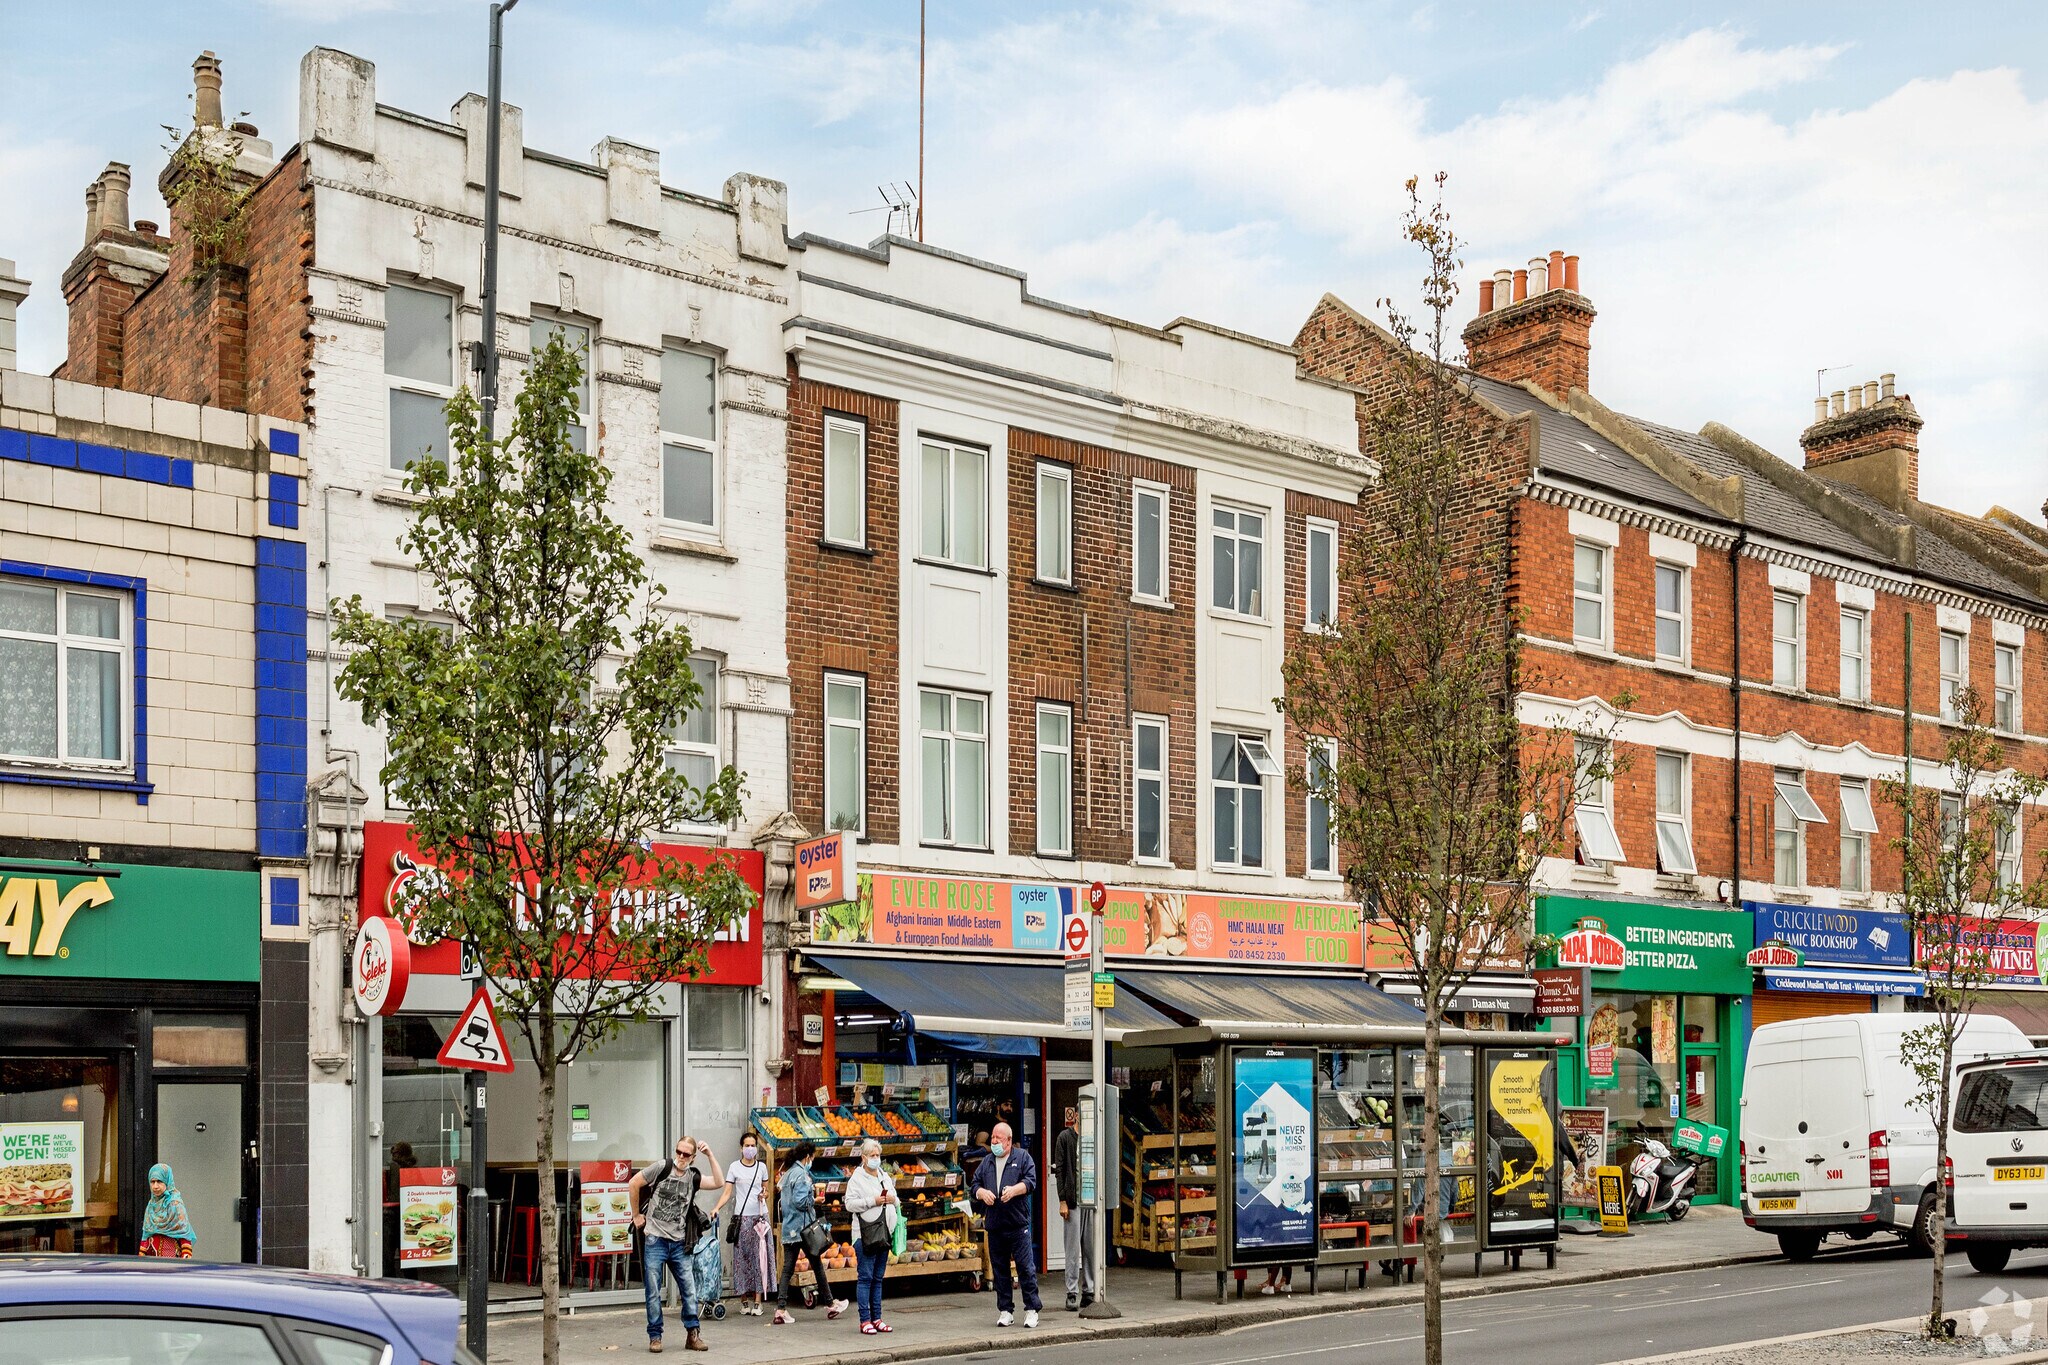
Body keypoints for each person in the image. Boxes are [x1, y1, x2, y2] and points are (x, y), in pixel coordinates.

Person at [630, 1135, 725, 1353]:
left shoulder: (693, 1177)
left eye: (686, 1154)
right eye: (678, 1152)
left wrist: (710, 1154)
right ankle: (655, 1336)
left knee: (689, 1289)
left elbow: (719, 1182)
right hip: (655, 1239)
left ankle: (693, 1335)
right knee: (653, 1290)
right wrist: (636, 1215)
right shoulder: (662, 1167)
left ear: (693, 1157)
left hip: (679, 1242)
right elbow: (633, 1183)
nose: (681, 1157)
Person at [972, 1121, 1041, 1329]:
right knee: (1000, 1269)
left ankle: (1031, 1310)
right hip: (995, 1225)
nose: (993, 1141)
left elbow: (1031, 1181)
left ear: (1009, 1141)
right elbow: (974, 1185)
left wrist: (1015, 1190)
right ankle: (1005, 1311)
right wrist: (981, 1193)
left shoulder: (1022, 1158)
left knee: (1025, 1268)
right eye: (992, 1137)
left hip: (1018, 1224)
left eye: (998, 1138)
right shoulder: (986, 1162)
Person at [773, 1140, 847, 1325]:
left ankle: (780, 1309)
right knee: (817, 1266)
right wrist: (814, 1200)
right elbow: (800, 1202)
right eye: (812, 1158)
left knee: (788, 1269)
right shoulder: (802, 1175)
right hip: (804, 1229)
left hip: (790, 1228)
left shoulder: (788, 1173)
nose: (811, 1161)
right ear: (807, 1157)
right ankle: (830, 1304)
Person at [842, 1137, 898, 1335]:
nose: (876, 1158)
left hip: (884, 1233)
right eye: (872, 1155)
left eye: (878, 1155)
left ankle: (877, 1318)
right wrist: (872, 1201)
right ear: (863, 1157)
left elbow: (896, 1200)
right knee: (865, 1277)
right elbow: (849, 1204)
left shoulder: (884, 1176)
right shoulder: (856, 1179)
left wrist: (893, 1200)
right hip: (865, 1234)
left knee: (878, 1278)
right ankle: (864, 1319)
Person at [727, 1130, 775, 1316]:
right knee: (741, 1258)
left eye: (753, 1145)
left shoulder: (761, 1167)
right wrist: (716, 1207)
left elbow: (767, 1190)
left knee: (760, 1257)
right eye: (746, 1145)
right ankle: (743, 1300)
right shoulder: (733, 1167)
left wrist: (764, 1194)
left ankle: (757, 1300)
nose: (750, 1149)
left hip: (760, 1217)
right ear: (741, 1148)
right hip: (742, 1217)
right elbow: (727, 1192)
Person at [1051, 1106, 1094, 1310]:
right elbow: (1059, 1170)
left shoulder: (1093, 1138)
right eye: (1082, 1113)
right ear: (1075, 1115)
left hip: (1091, 1200)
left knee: (1090, 1248)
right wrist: (1062, 1200)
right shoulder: (1064, 1138)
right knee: (1072, 1248)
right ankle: (1072, 1292)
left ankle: (1089, 1290)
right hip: (1073, 1199)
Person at [138, 1163, 195, 1259]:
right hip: (150, 1263)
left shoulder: (175, 1205)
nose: (155, 1186)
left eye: (159, 1181)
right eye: (152, 1182)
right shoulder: (151, 1205)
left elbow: (184, 1234)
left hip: (170, 1263)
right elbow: (146, 1234)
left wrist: (184, 1263)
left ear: (167, 1182)